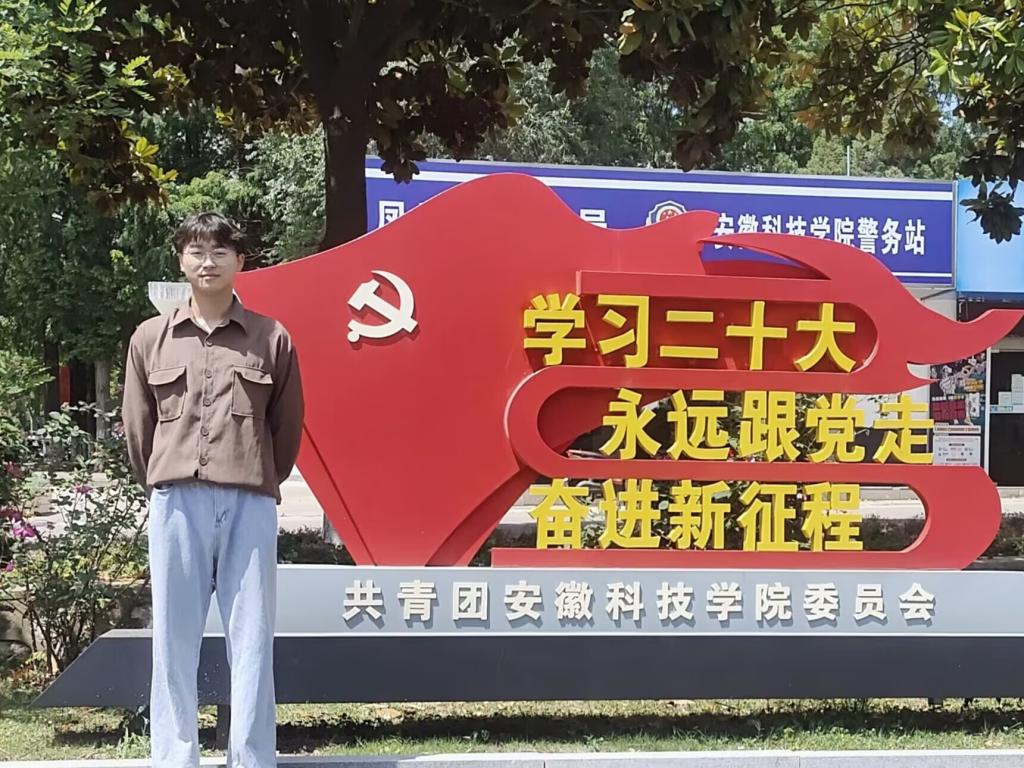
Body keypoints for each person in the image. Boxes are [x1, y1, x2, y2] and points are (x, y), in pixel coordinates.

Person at [122, 212, 304, 768]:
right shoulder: (151, 338)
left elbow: (286, 428)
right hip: (176, 501)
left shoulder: (270, 337)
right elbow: (138, 429)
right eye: (197, 251)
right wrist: (164, 479)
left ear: (239, 261)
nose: (208, 261)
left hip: (250, 501)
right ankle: (176, 757)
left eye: (220, 251)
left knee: (252, 638)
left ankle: (250, 758)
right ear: (181, 260)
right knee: (173, 639)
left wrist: (256, 475)